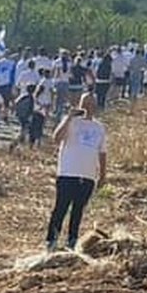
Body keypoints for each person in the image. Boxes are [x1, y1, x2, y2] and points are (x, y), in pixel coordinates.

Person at [46, 94, 108, 252]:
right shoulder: (71, 122)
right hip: (68, 173)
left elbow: (102, 153)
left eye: (92, 104)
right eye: (85, 104)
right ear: (80, 104)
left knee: (78, 210)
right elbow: (56, 138)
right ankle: (52, 240)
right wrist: (68, 118)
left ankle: (72, 240)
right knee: (61, 207)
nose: (89, 107)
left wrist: (102, 175)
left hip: (87, 176)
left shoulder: (99, 128)